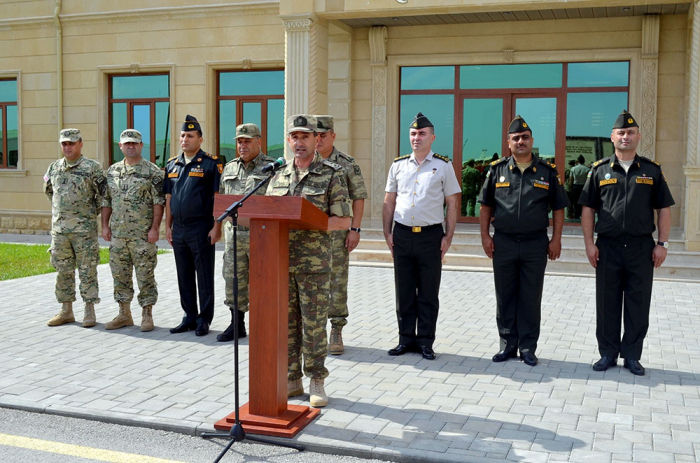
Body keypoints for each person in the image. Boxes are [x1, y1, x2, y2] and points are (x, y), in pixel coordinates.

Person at [579, 110, 675, 376]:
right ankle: (608, 353)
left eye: (630, 132)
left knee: (638, 303)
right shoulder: (599, 171)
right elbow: (588, 208)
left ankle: (632, 355)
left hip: (641, 248)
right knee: (607, 302)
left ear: (638, 137)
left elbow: (664, 208)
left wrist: (662, 244)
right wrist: (589, 243)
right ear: (612, 137)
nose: (625, 137)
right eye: (621, 133)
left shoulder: (652, 170)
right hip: (607, 247)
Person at [266, 114, 352, 408]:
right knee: (287, 324)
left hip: (314, 264)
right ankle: (292, 379)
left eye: (306, 137)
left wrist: (310, 222)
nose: (299, 143)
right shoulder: (277, 174)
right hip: (279, 262)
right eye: (295, 137)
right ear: (288, 141)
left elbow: (343, 221)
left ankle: (316, 379)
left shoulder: (332, 174)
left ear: (317, 140)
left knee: (314, 325)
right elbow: (265, 214)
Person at [478, 115, 569, 367]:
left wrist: (556, 239)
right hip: (504, 242)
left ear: (531, 141)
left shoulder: (548, 172)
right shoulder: (497, 170)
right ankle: (507, 344)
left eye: (525, 137)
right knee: (505, 296)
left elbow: (559, 207)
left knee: (530, 297)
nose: (520, 141)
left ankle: (528, 347)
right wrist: (485, 236)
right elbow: (485, 206)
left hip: (535, 244)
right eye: (516, 138)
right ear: (508, 142)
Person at [382, 112, 461, 360]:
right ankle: (406, 340)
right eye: (413, 133)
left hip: (430, 237)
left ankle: (426, 342)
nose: (417, 137)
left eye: (422, 133)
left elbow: (452, 202)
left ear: (432, 137)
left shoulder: (443, 165)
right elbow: (389, 201)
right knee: (403, 291)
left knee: (428, 292)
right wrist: (387, 232)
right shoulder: (398, 165)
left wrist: (448, 235)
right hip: (403, 235)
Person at [214, 123, 274, 342]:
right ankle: (237, 324)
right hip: (233, 238)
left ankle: (265, 325)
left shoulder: (272, 168)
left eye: (247, 141)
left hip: (260, 237)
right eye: (239, 141)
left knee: (263, 282)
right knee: (233, 281)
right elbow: (222, 200)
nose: (242, 145)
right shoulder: (229, 168)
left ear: (259, 141)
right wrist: (217, 228)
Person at [163, 115, 222, 337]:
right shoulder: (172, 164)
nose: (185, 139)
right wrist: (167, 227)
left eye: (190, 135)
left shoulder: (210, 164)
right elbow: (169, 198)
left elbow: (217, 197)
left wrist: (217, 227)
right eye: (182, 135)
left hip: (201, 227)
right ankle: (189, 316)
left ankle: (204, 319)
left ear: (200, 139)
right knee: (183, 274)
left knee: (204, 275)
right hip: (178, 228)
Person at [101, 129, 165, 332]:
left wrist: (155, 228)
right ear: (120, 146)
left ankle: (147, 314)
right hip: (118, 235)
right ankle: (124, 313)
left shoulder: (152, 172)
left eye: (134, 143)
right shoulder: (112, 171)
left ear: (141, 146)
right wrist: (104, 225)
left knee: (145, 275)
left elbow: (159, 202)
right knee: (120, 275)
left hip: (142, 235)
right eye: (127, 143)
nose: (131, 146)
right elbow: (106, 200)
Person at [314, 115, 368, 355]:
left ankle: (336, 329)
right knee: (310, 284)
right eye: (313, 135)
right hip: (309, 236)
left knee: (337, 282)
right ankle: (313, 332)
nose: (317, 140)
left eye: (322, 135)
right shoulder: (305, 161)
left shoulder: (346, 163)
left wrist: (355, 229)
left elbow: (359, 197)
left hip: (337, 236)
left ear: (333, 136)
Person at [44, 128, 107, 327]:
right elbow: (49, 192)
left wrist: (87, 214)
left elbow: (103, 196)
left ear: (80, 143)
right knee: (63, 271)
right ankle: (66, 310)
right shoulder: (54, 168)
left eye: (72, 143)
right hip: (60, 232)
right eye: (64, 143)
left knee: (87, 270)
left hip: (84, 232)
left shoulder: (92, 168)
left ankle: (89, 310)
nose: (68, 147)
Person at [569, 154, 589, 219]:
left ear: (578, 161)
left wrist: (570, 187)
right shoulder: (587, 169)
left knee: (575, 202)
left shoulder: (573, 169)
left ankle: (576, 216)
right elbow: (588, 180)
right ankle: (582, 215)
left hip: (575, 187)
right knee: (582, 202)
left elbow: (571, 179)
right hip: (583, 187)